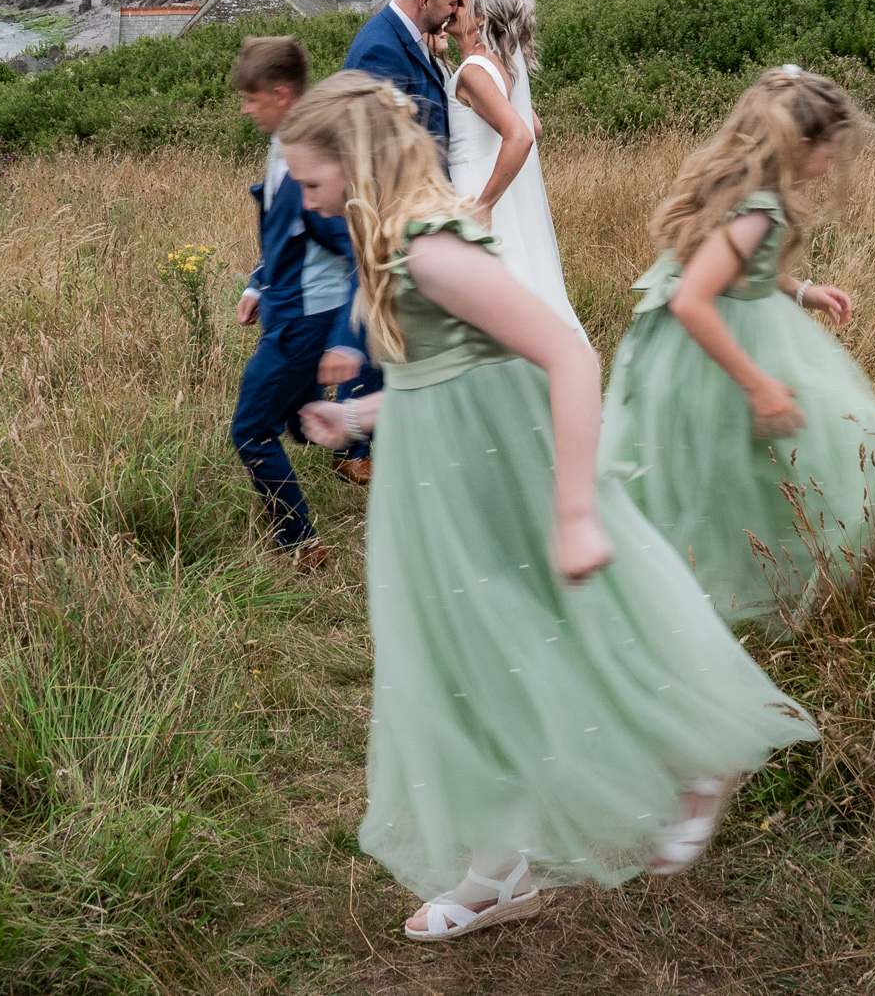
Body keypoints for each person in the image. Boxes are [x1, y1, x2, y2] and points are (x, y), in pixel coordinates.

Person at [283, 73, 814, 942]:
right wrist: (355, 414)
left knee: (538, 643)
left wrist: (574, 510)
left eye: (312, 180)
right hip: (438, 487)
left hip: (494, 483)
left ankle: (695, 754)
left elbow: (571, 356)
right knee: (472, 664)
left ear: (354, 162)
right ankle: (500, 868)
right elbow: (440, 377)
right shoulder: (389, 246)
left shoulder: (429, 246)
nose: (307, 197)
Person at [599, 67, 875, 629]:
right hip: (718, 351)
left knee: (733, 464)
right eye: (829, 152)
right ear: (799, 143)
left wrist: (801, 289)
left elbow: (734, 267)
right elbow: (693, 299)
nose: (830, 165)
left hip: (716, 337)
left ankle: (732, 569)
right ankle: (721, 586)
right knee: (827, 440)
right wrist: (758, 384)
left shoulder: (743, 189)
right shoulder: (758, 210)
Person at [232, 36, 379, 571]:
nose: (245, 109)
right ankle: (356, 440)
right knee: (300, 420)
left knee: (250, 431)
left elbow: (360, 256)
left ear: (281, 94)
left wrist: (345, 336)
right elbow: (282, 237)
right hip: (287, 309)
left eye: (250, 99)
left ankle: (302, 545)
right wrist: (256, 284)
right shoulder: (283, 149)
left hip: (304, 321)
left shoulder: (311, 164)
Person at [444, 0, 585, 339]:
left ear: (481, 18)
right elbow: (533, 126)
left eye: (458, 4)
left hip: (477, 186)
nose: (449, 8)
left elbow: (521, 136)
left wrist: (485, 204)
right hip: (494, 179)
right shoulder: (503, 65)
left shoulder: (475, 72)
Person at [343, 0, 467, 160]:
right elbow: (380, 147)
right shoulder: (381, 52)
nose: (454, 11)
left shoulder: (406, 36)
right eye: (452, 3)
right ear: (426, 1)